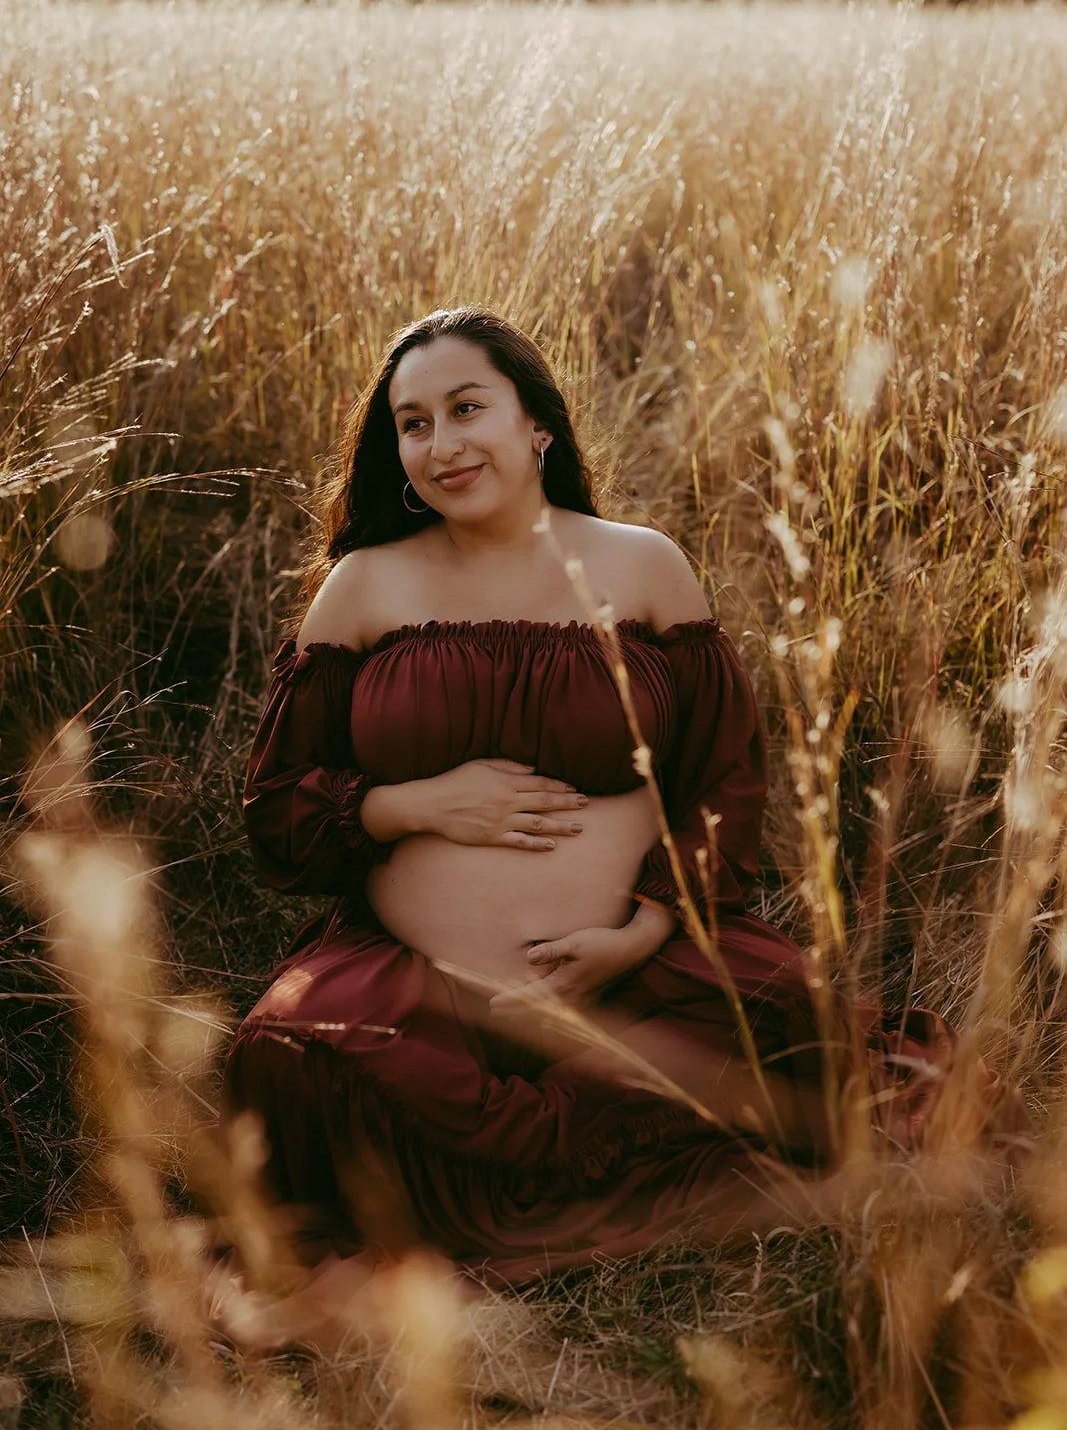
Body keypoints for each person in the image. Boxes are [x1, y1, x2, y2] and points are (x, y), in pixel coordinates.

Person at [215, 304, 957, 1343]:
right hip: (410, 966)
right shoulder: (364, 582)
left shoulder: (639, 565)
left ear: (537, 428)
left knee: (789, 1022)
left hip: (632, 957)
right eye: (412, 422)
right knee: (292, 1051)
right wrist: (411, 802)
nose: (441, 442)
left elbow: (722, 780)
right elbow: (277, 802)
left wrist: (644, 928)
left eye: (467, 407)